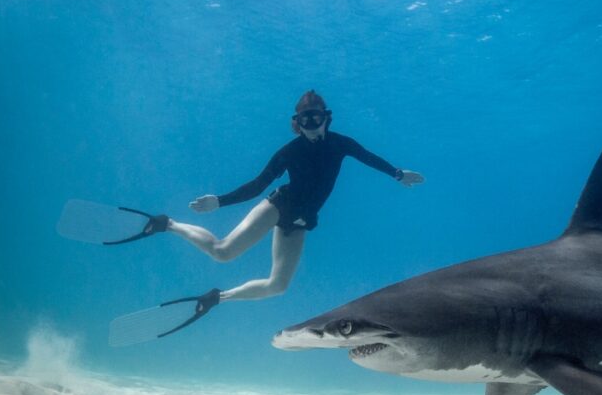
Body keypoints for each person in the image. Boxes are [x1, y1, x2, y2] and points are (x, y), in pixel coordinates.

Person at [151, 89, 423, 312]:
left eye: (316, 119)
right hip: (279, 205)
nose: (311, 127)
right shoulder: (289, 152)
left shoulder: (341, 144)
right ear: (297, 123)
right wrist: (219, 202)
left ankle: (217, 297)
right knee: (223, 252)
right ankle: (169, 224)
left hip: (303, 219)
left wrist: (397, 174)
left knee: (278, 286)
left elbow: (368, 157)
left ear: (327, 118)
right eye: (305, 121)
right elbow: (258, 185)